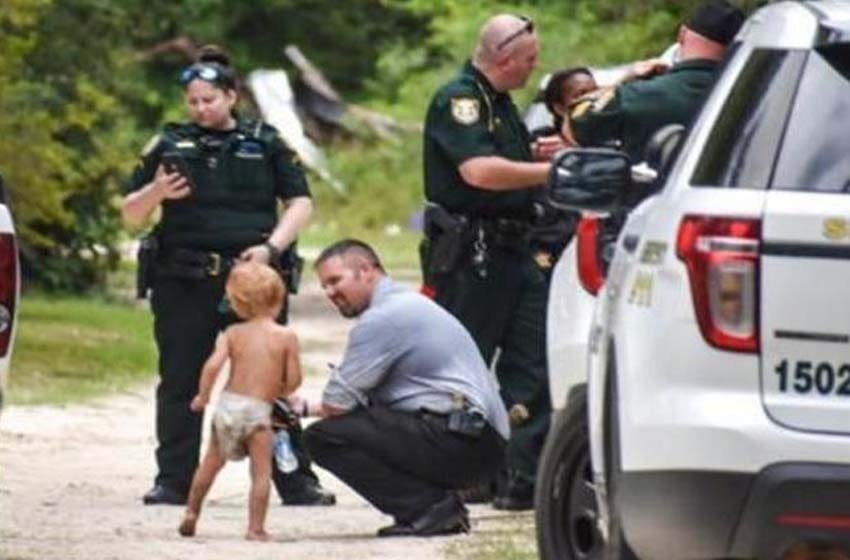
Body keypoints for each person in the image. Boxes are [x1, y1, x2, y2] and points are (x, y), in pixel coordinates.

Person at [122, 44, 334, 507]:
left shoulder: (267, 140)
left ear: (231, 96)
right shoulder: (168, 144)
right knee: (180, 380)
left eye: (209, 99)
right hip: (183, 279)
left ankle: (295, 479)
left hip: (251, 280)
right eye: (193, 101)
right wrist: (156, 191)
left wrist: (272, 248)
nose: (201, 108)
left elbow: (301, 202)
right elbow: (129, 214)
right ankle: (173, 481)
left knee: (272, 382)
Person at [421, 14, 555, 510]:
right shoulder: (461, 99)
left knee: (533, 360)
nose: (532, 68)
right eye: (529, 60)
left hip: (518, 249)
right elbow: (477, 171)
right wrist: (549, 170)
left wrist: (539, 153)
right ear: (503, 57)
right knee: (463, 361)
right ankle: (453, 474)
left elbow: (504, 163)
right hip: (474, 253)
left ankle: (519, 475)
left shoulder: (499, 104)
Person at [297, 239, 510, 537]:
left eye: (335, 281)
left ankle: (429, 509)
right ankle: (436, 507)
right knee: (356, 424)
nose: (330, 293)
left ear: (366, 270)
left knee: (324, 438)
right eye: (325, 286)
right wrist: (302, 408)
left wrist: (309, 411)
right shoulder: (405, 304)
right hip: (479, 442)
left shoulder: (383, 318)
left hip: (466, 443)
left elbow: (337, 405)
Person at [178, 261, 301, 541]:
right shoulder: (286, 337)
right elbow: (294, 380)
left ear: (236, 302)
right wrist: (282, 388)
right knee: (260, 473)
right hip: (258, 411)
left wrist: (203, 396)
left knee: (210, 462)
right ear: (278, 298)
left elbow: (212, 366)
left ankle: (191, 512)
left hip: (228, 405)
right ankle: (255, 528)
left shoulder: (232, 334)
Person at [570, 0, 745, 164]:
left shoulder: (638, 96)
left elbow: (579, 121)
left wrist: (625, 78)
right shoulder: (748, 98)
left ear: (682, 35)